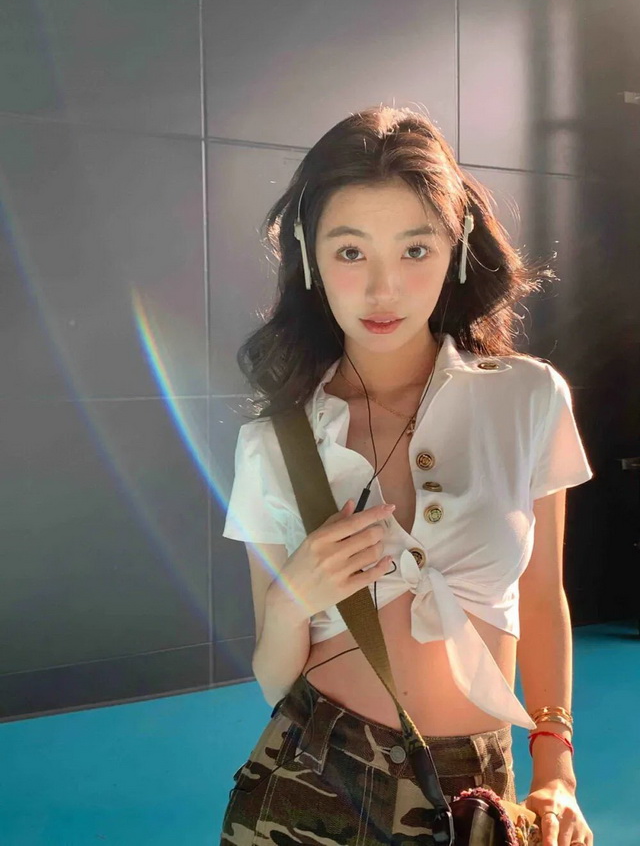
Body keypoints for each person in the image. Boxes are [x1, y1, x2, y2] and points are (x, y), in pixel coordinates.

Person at [220, 106, 595, 845]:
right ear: (310, 258)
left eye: (415, 249)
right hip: (314, 784)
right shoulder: (274, 442)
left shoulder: (529, 397)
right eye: (350, 251)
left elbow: (541, 595)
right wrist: (294, 600)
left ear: (456, 249)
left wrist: (557, 769)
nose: (383, 288)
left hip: (478, 788)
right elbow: (272, 676)